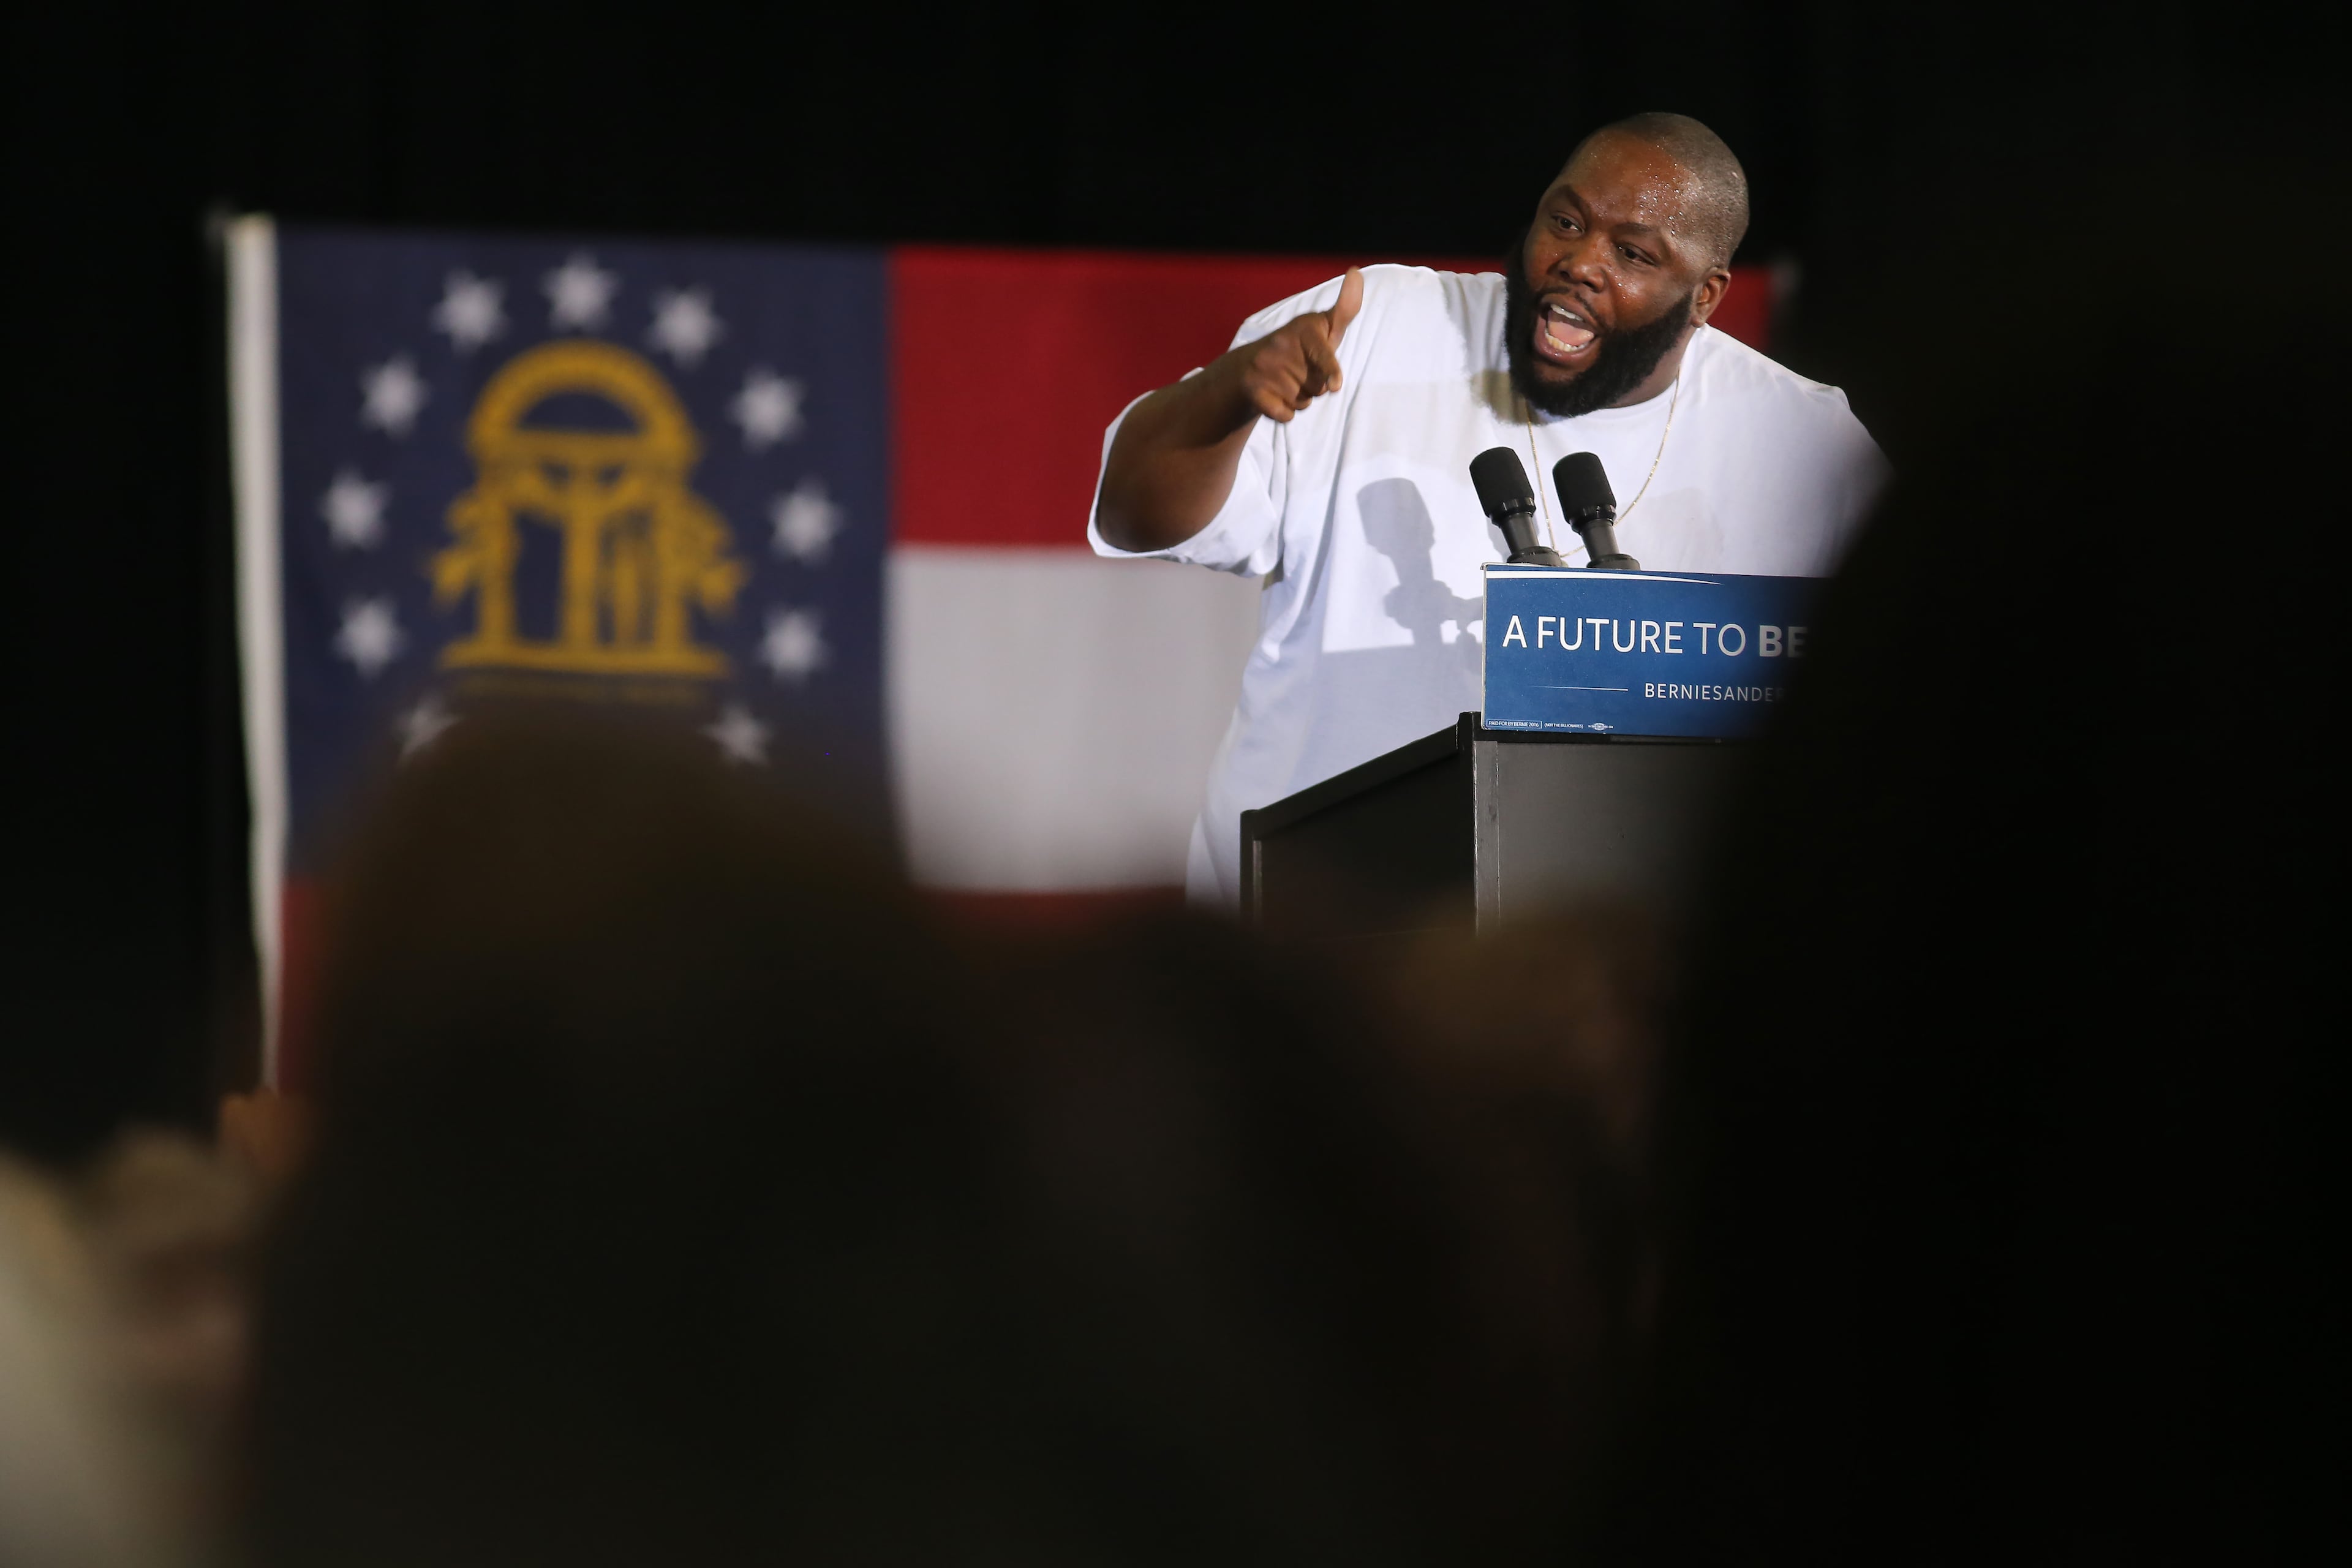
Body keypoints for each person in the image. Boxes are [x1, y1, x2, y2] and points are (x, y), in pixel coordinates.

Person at [1090, 113, 1886, 907]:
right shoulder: (1376, 328)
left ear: (1705, 296)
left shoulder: (1804, 441)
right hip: (1309, 950)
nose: (1579, 263)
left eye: (1633, 253)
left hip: (1606, 967)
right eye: (1565, 221)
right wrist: (1227, 396)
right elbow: (1136, 516)